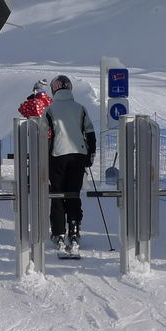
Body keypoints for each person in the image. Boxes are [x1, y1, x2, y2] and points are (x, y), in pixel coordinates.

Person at [44, 75, 96, 255]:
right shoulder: (80, 108)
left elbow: (44, 134)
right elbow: (90, 132)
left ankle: (58, 232)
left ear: (54, 89)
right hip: (78, 155)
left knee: (57, 194)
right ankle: (74, 229)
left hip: (57, 155)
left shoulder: (50, 110)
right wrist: (90, 154)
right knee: (74, 193)